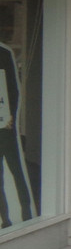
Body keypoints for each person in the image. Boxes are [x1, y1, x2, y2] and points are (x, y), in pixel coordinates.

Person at [0, 41, 34, 228]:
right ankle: (5, 220)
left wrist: (11, 114)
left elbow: (13, 88)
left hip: (6, 126)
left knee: (17, 172)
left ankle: (28, 215)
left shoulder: (4, 53)